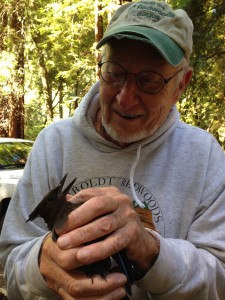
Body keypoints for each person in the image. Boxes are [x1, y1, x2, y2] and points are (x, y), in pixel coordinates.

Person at [0, 0, 225, 299]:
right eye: (115, 73)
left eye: (149, 81)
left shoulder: (204, 155)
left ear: (181, 84)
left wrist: (150, 250)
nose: (125, 98)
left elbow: (219, 281)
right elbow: (10, 265)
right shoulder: (54, 143)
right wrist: (42, 267)